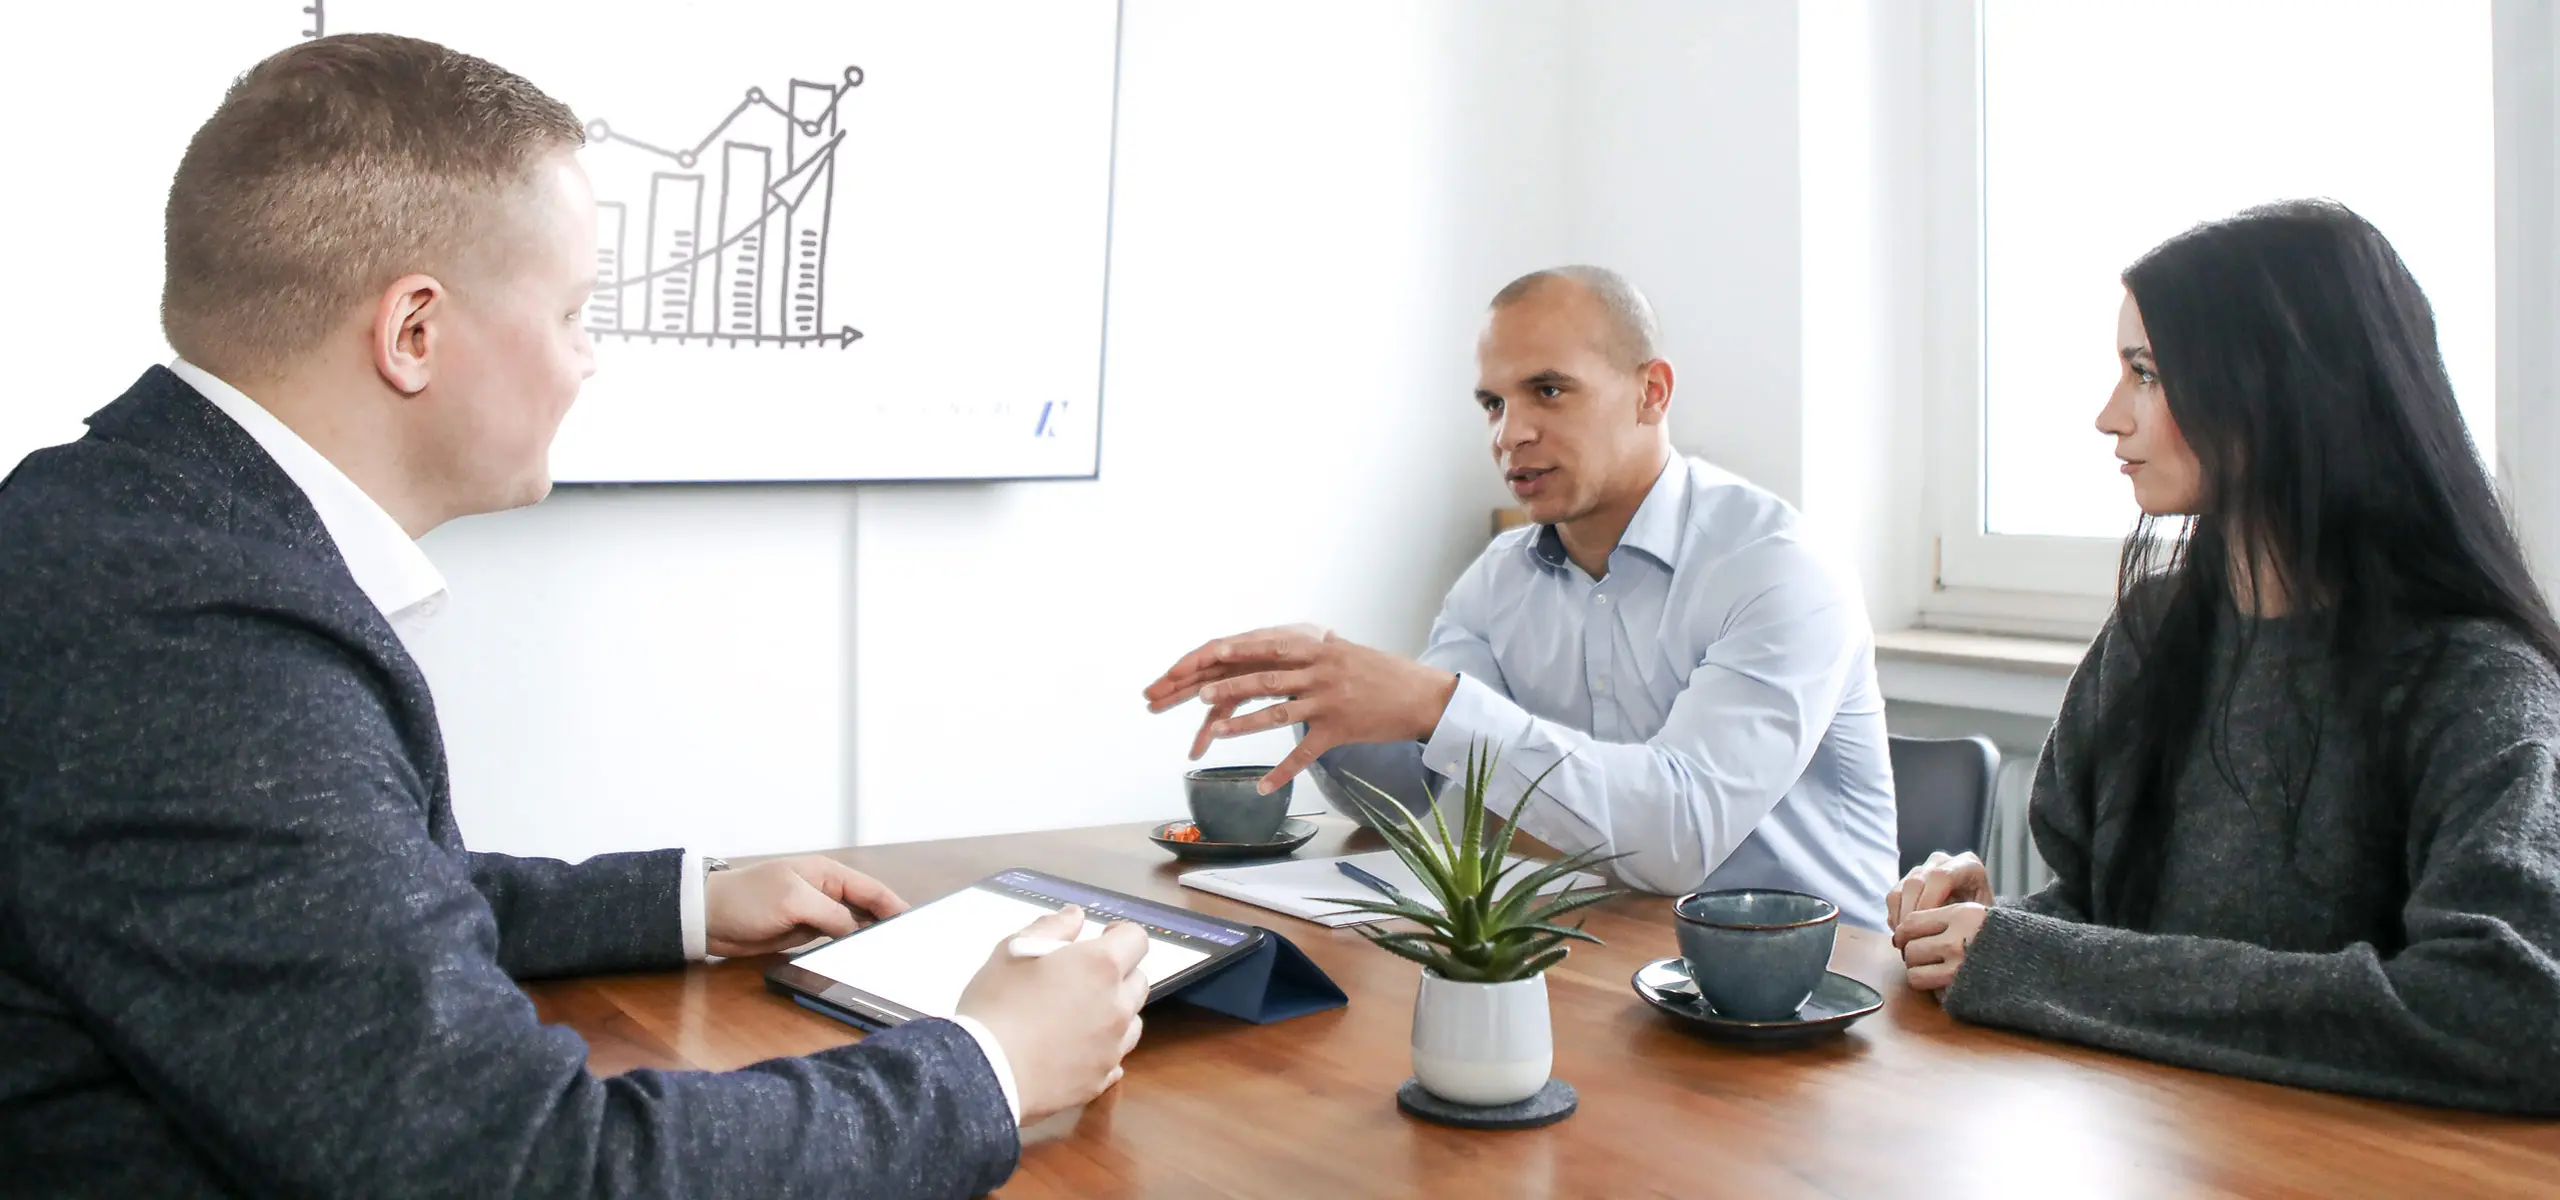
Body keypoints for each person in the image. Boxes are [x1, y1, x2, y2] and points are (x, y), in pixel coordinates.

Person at [0, 35, 1147, 1196]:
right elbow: (524, 1171)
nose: (587, 360)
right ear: (413, 334)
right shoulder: (202, 645)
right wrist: (993, 1063)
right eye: (571, 312)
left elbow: (333, 907)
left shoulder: (119, 522)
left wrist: (680, 902)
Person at [1886, 201, 2560, 1114]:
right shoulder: (2152, 632)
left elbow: (2508, 1010)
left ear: (2278, 389)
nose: (2108, 416)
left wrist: (2035, 957)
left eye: (2147, 374)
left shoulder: (2481, 683)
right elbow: (2111, 932)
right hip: (2151, 1149)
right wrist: (1984, 930)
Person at [1145, 266, 1899, 928]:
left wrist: (1434, 703)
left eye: (1548, 391)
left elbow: (1679, 837)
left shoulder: (1779, 567)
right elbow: (1423, 795)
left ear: (1651, 393)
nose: (1510, 434)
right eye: (1492, 403)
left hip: (1827, 995)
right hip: (1609, 953)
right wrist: (1324, 685)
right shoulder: (1498, 577)